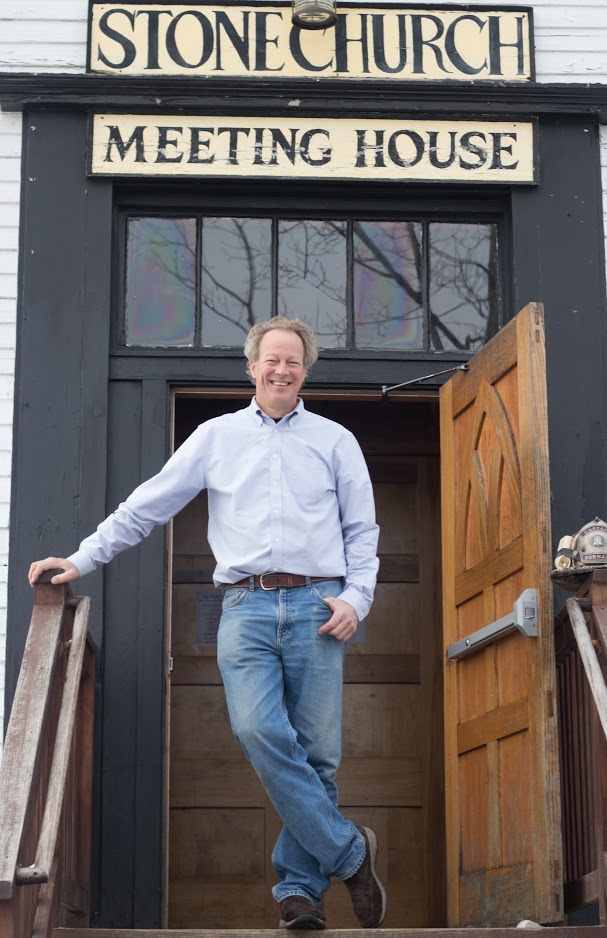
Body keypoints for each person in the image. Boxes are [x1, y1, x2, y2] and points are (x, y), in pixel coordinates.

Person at [29, 316, 385, 930]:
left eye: (293, 361)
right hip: (244, 607)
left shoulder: (335, 441)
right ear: (252, 367)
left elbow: (362, 530)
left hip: (318, 606)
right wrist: (82, 559)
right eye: (271, 359)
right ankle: (349, 853)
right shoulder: (216, 437)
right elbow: (146, 506)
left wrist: (357, 598)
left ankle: (300, 891)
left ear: (305, 371)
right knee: (256, 729)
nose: (281, 370)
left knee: (317, 754)